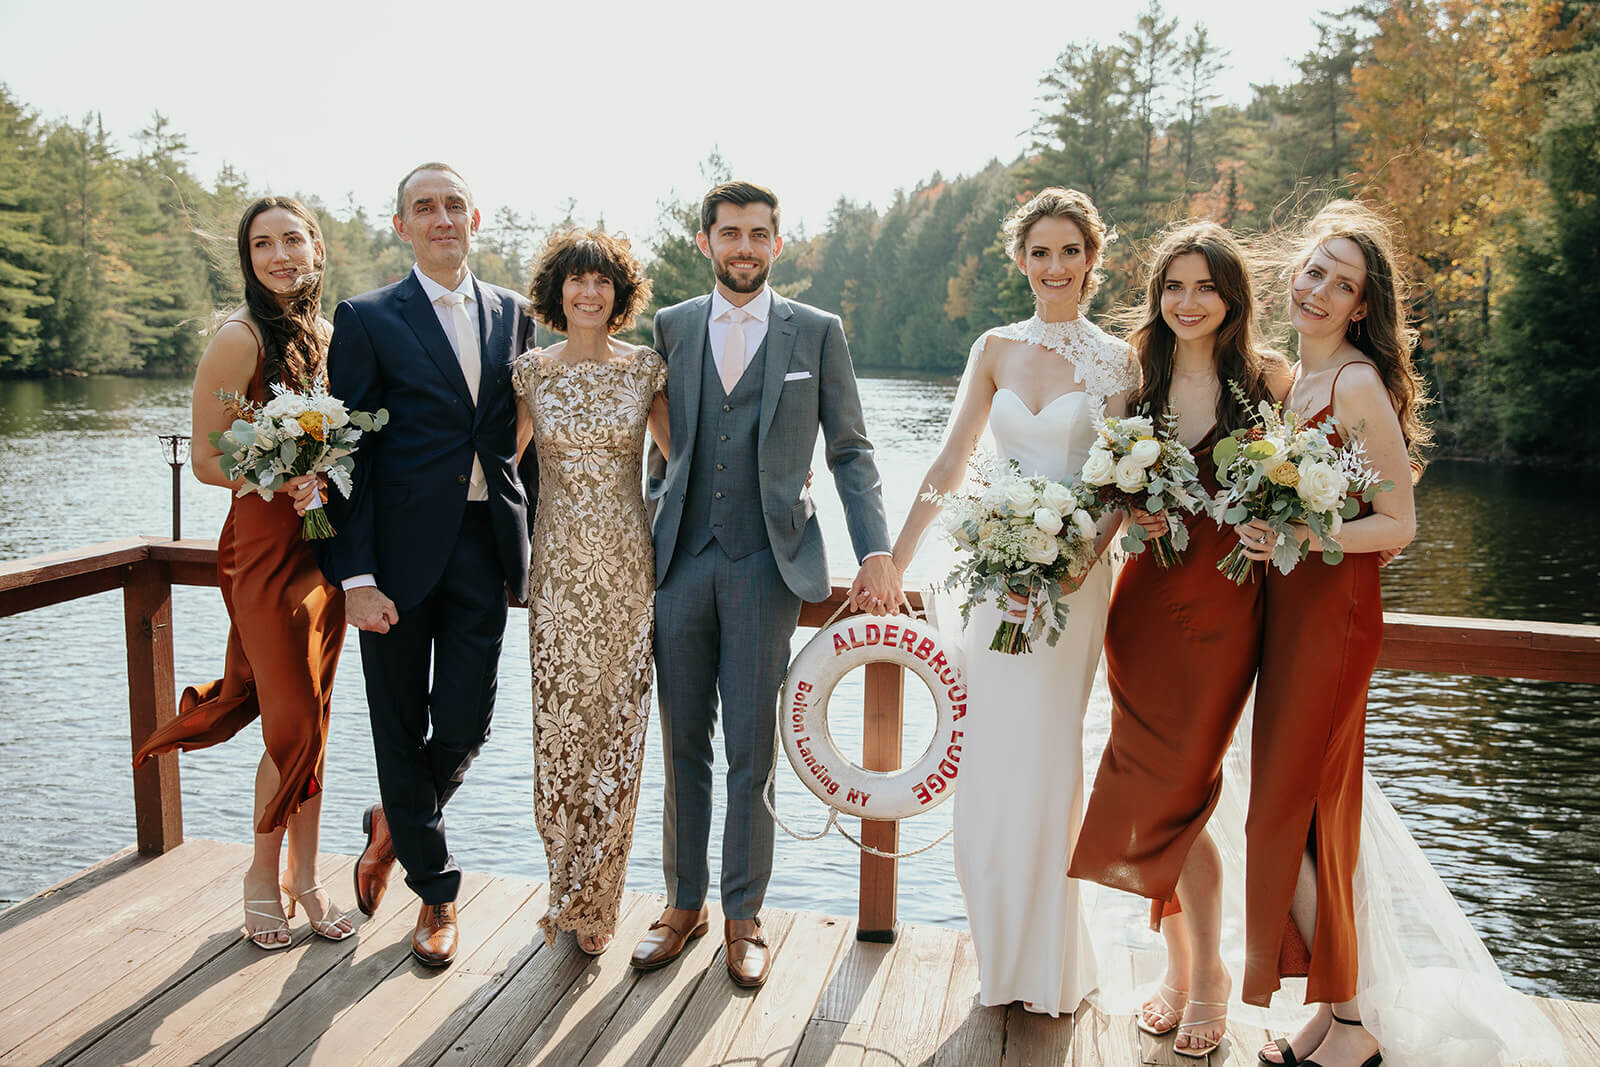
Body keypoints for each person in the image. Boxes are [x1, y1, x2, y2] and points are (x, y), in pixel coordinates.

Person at [632, 180, 901, 988]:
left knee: (752, 747)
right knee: (682, 744)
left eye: (757, 234)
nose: (743, 247)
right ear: (707, 242)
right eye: (729, 233)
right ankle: (683, 904)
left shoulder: (816, 332)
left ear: (777, 244)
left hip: (766, 565)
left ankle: (744, 917)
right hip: (680, 563)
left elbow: (850, 451)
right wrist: (655, 510)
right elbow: (662, 442)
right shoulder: (672, 326)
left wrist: (878, 551)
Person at [887, 187, 1137, 1017]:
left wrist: (1078, 556)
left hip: (1070, 584)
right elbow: (952, 460)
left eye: (1071, 250)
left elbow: (1119, 482)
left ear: (1092, 260)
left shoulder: (1116, 362)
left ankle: (1051, 962)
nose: (1055, 266)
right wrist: (897, 555)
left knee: (1049, 759)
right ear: (1020, 260)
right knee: (991, 761)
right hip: (992, 580)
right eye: (1041, 251)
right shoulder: (993, 347)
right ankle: (1000, 957)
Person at [1068, 221, 1291, 1054]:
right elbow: (1107, 511)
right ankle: (1176, 971)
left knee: (1187, 796)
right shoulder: (1133, 397)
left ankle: (1212, 981)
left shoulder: (1271, 384)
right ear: (1157, 298)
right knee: (1153, 796)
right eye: (1173, 287)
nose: (1188, 302)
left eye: (1205, 286)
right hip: (1146, 611)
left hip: (1228, 613)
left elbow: (1311, 497)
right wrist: (1125, 517)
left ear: (1232, 297)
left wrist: (1281, 532)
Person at [324, 163, 536, 968]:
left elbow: (526, 439)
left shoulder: (515, 314)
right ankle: (437, 894)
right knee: (396, 724)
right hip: (395, 560)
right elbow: (348, 456)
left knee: (465, 724)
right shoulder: (369, 317)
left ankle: (394, 822)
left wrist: (531, 545)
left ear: (475, 217)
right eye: (425, 207)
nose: (441, 217)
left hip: (486, 547)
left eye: (453, 204)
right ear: (402, 224)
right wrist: (356, 576)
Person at [133, 196, 354, 949]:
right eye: (263, 244)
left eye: (292, 239)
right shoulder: (238, 338)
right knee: (292, 724)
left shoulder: (331, 335)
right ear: (248, 258)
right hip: (262, 552)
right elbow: (203, 457)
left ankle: (307, 874)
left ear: (317, 248)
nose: (280, 254)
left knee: (314, 722)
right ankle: (265, 879)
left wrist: (325, 466)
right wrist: (279, 464)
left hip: (324, 552)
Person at [1242, 200, 1422, 1067]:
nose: (1318, 288)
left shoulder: (1353, 383)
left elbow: (1398, 520)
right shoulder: (1291, 382)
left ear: (1361, 307)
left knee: (1286, 809)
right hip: (1289, 615)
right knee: (1309, 820)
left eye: (1342, 283)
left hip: (1335, 620)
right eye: (1314, 270)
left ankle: (1350, 1026)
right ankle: (1333, 1016)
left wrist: (1307, 536)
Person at [511, 229, 667, 957]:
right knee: (562, 733)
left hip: (629, 575)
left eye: (603, 282)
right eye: (576, 281)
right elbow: (495, 471)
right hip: (558, 577)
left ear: (619, 295)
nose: (589, 293)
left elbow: (689, 461)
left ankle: (598, 895)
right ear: (557, 293)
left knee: (619, 735)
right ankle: (561, 883)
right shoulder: (531, 375)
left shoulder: (645, 372)